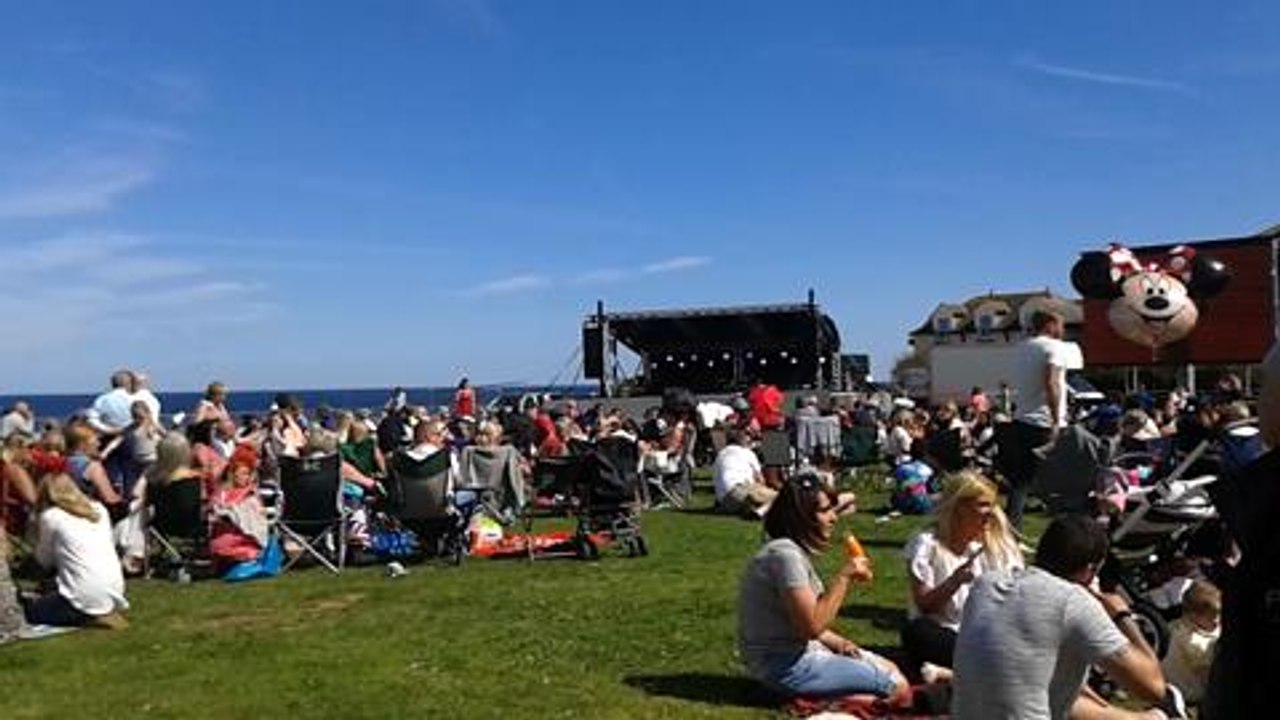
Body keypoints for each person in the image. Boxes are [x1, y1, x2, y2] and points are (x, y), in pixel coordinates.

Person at [952, 514, 1183, 720]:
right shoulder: (1071, 601)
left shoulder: (986, 584)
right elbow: (1152, 687)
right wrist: (1122, 615)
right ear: (1090, 570)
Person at [737, 472, 909, 701]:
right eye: (824, 511)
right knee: (897, 689)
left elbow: (800, 622)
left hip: (795, 653)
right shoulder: (785, 556)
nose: (833, 518)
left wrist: (838, 642)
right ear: (801, 517)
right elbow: (811, 627)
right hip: (784, 664)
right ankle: (803, 697)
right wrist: (844, 577)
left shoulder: (788, 551)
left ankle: (813, 693)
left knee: (891, 668)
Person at [901, 472, 1022, 675]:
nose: (990, 512)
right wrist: (953, 582)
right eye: (982, 505)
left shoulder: (998, 545)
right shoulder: (928, 545)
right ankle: (985, 670)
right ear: (959, 507)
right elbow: (924, 605)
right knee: (917, 632)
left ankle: (959, 674)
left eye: (992, 505)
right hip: (949, 633)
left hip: (990, 633)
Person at [24, 472, 129, 628]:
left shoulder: (51, 516)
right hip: (115, 588)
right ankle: (99, 612)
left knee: (31, 611)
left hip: (82, 595)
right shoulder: (99, 509)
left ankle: (87, 616)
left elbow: (43, 560)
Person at [999, 309, 1071, 529]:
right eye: (1060, 324)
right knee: (1063, 480)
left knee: (1021, 482)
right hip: (1044, 421)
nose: (1063, 329)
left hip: (1022, 419)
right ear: (1049, 324)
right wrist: (1056, 420)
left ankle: (1012, 530)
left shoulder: (1021, 348)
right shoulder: (1055, 347)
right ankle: (1066, 530)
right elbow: (1052, 383)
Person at [1161, 580, 1219, 705]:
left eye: (1219, 615)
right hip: (1192, 693)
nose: (1217, 621)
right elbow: (1210, 673)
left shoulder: (1174, 625)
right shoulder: (1192, 641)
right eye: (1211, 617)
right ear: (1192, 615)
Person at [712, 429, 774, 518]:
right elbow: (760, 480)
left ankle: (755, 508)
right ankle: (759, 512)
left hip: (724, 500)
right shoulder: (747, 453)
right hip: (742, 489)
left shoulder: (720, 454)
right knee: (780, 497)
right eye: (748, 436)